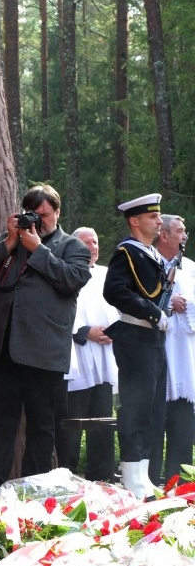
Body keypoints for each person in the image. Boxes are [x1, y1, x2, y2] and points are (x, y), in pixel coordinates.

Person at [0, 184, 91, 487]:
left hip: (43, 351)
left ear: (58, 213)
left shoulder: (72, 246)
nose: (39, 221)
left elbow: (72, 280)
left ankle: (33, 489)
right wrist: (10, 243)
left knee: (41, 424)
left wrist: (38, 249)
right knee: (0, 422)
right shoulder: (8, 242)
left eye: (45, 215)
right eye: (32, 215)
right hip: (1, 347)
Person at [103, 193, 168, 501]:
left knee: (152, 409)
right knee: (136, 407)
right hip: (135, 336)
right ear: (135, 220)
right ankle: (131, 475)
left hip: (153, 339)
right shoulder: (127, 252)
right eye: (153, 217)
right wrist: (152, 311)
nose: (159, 221)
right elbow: (113, 290)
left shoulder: (150, 254)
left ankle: (142, 475)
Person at [54, 227, 118, 482]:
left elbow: (119, 306)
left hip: (104, 357)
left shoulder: (107, 275)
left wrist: (115, 330)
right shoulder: (65, 273)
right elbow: (58, 313)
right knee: (71, 422)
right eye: (86, 242)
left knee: (103, 422)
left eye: (96, 241)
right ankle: (66, 476)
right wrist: (83, 331)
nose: (92, 247)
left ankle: (102, 476)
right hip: (77, 358)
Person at [148, 214, 194, 486]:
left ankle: (181, 489)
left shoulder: (190, 268)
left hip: (184, 361)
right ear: (163, 235)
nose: (184, 235)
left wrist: (185, 303)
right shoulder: (147, 262)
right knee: (152, 430)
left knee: (182, 429)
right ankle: (150, 486)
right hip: (154, 358)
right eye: (179, 231)